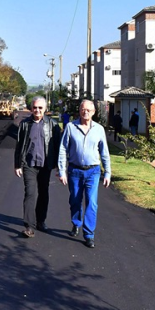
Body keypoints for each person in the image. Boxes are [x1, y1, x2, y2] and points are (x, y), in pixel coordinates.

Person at [58, 99, 111, 248]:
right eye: (83, 109)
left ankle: (89, 234)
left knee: (91, 202)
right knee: (75, 200)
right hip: (74, 170)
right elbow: (63, 149)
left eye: (88, 110)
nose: (85, 112)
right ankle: (76, 223)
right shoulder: (70, 127)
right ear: (79, 110)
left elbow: (104, 152)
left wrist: (107, 172)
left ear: (93, 112)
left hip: (93, 171)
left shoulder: (99, 129)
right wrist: (62, 171)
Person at [14, 96, 61, 238]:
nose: (37, 110)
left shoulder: (53, 125)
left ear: (45, 109)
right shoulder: (25, 124)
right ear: (31, 108)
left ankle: (41, 221)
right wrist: (17, 165)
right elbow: (19, 145)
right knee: (30, 193)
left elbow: (58, 147)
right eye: (35, 107)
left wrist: (59, 166)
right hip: (29, 164)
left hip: (45, 165)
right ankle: (29, 226)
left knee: (43, 193)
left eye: (40, 108)